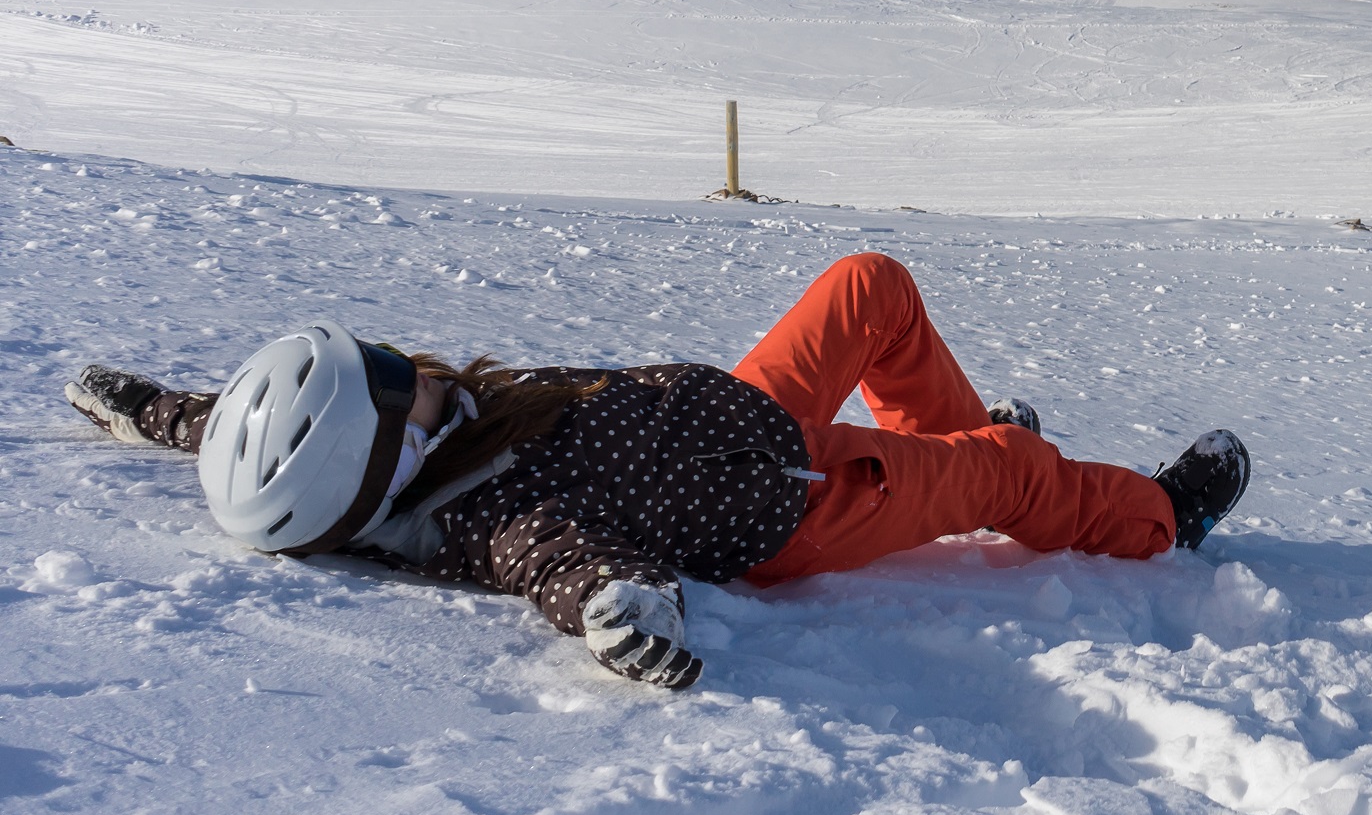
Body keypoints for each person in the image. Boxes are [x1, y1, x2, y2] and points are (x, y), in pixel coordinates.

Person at [63, 252, 1247, 691]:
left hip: (737, 414)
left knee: (867, 287)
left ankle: (951, 440)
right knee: (1007, 470)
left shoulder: (441, 421)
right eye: (384, 376)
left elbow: (250, 429)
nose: (403, 359)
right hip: (792, 499)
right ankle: (1158, 518)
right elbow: (571, 569)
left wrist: (150, 411)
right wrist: (620, 617)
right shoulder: (493, 513)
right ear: (379, 456)